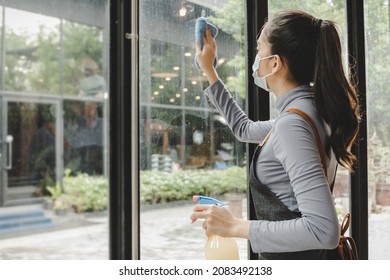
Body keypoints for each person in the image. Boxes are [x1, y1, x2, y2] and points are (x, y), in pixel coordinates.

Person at [190, 9, 360, 259]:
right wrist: (210, 71)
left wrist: (235, 225)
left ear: (276, 63)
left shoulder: (294, 124)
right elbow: (243, 128)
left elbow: (324, 230)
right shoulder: (311, 111)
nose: (256, 59)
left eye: (259, 50)